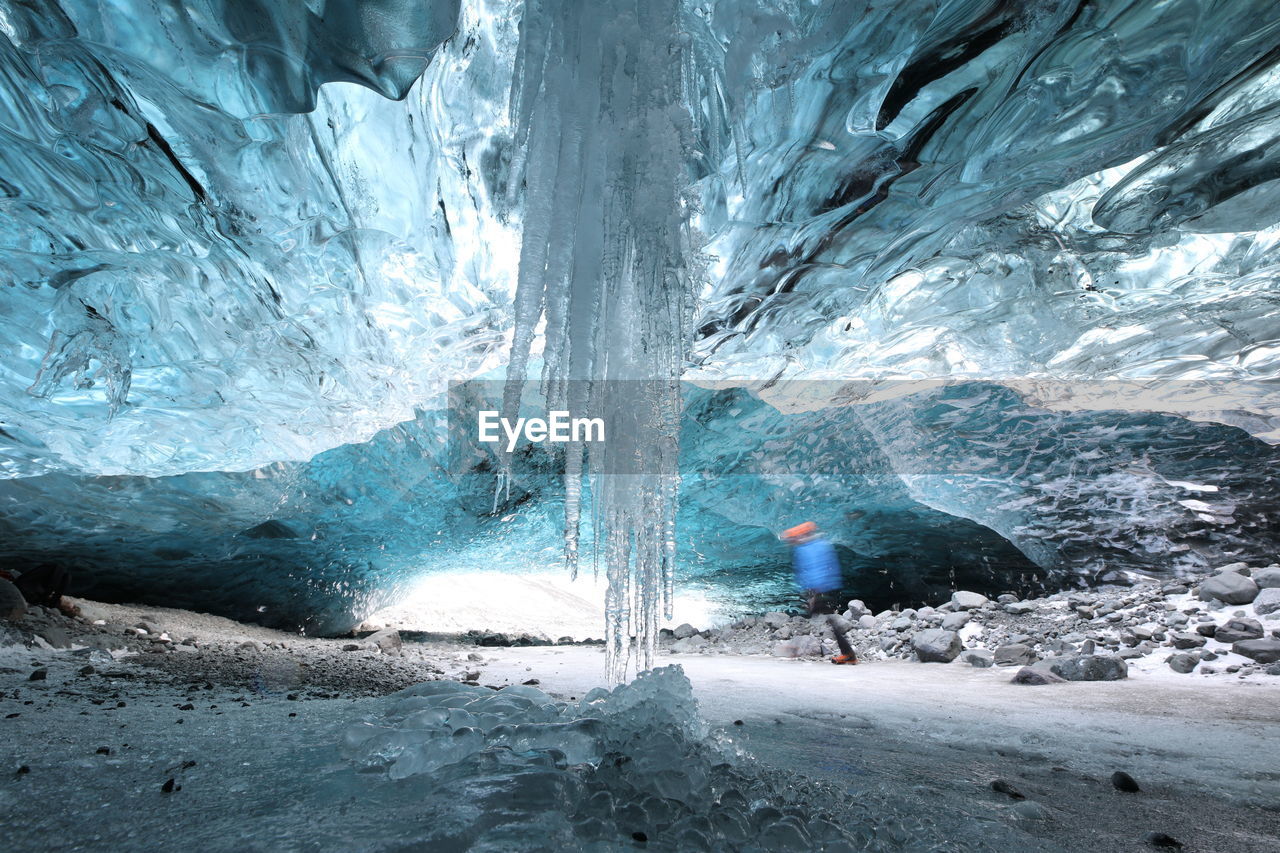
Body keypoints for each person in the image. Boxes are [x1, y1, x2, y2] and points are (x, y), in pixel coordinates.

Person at [781, 521, 858, 665]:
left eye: (792, 539)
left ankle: (848, 654)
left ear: (800, 536)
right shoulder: (820, 545)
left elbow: (814, 571)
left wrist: (814, 594)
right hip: (826, 587)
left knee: (818, 617)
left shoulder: (806, 549)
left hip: (820, 589)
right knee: (824, 619)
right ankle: (847, 653)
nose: (791, 542)